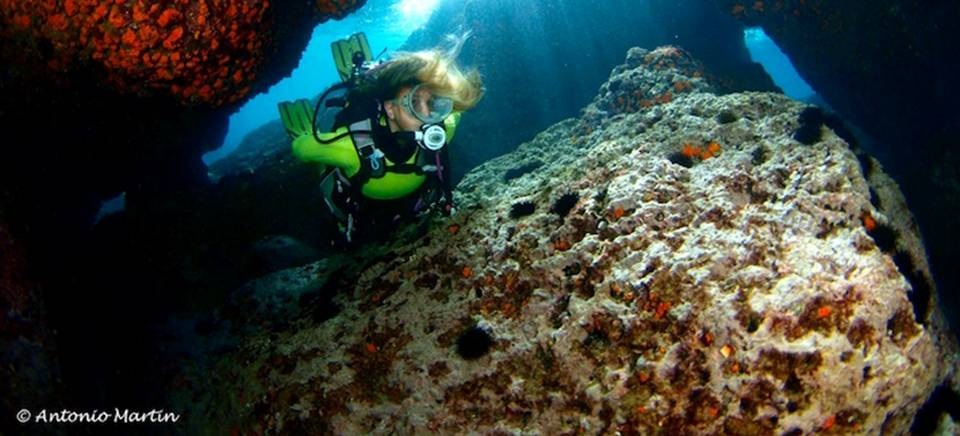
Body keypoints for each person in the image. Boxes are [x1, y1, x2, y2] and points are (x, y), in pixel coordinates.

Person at [278, 33, 483, 246]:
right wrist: (302, 138)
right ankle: (357, 80)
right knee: (323, 166)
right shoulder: (352, 148)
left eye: (432, 103)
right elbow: (303, 150)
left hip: (409, 204)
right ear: (390, 109)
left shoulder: (441, 131)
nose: (426, 116)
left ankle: (362, 75)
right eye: (413, 103)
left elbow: (456, 113)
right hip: (363, 213)